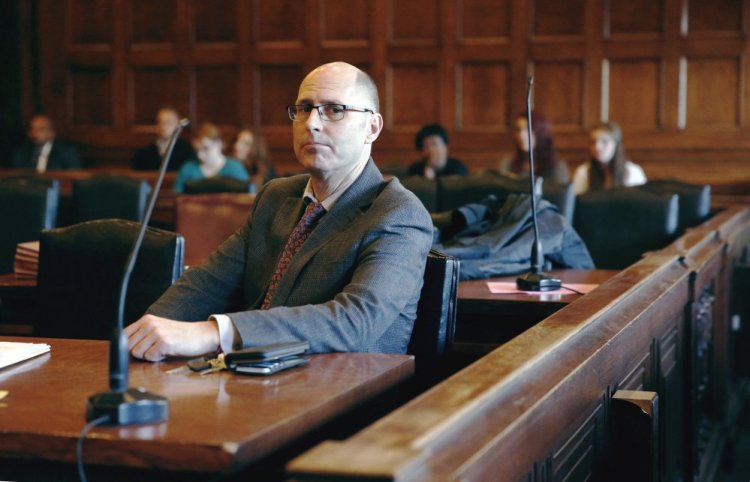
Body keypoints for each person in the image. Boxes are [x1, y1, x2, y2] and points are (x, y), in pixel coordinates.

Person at [125, 61, 433, 361]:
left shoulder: (398, 214)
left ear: (372, 127)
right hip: (251, 378)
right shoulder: (276, 196)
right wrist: (142, 335)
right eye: (304, 108)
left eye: (334, 110)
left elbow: (355, 321)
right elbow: (208, 282)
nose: (312, 122)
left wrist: (214, 333)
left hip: (344, 394)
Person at [572, 122, 647, 195]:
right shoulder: (584, 172)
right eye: (593, 142)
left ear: (616, 145)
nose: (597, 147)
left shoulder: (633, 172)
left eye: (604, 142)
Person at [173, 122, 250, 192]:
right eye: (197, 150)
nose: (200, 155)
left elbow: (248, 198)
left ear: (219, 144)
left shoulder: (236, 168)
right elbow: (178, 197)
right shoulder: (188, 169)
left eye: (206, 149)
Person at [499, 111, 569, 184]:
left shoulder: (557, 167)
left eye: (528, 129)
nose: (521, 135)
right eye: (518, 129)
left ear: (541, 132)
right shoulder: (508, 164)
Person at [131, 106, 196, 171]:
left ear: (178, 127)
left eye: (168, 123)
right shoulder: (143, 153)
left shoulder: (187, 150)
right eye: (160, 122)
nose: (163, 126)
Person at [11, 114, 81, 172]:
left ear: (52, 132)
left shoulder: (66, 151)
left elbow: (75, 176)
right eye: (33, 129)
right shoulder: (24, 151)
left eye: (41, 129)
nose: (35, 133)